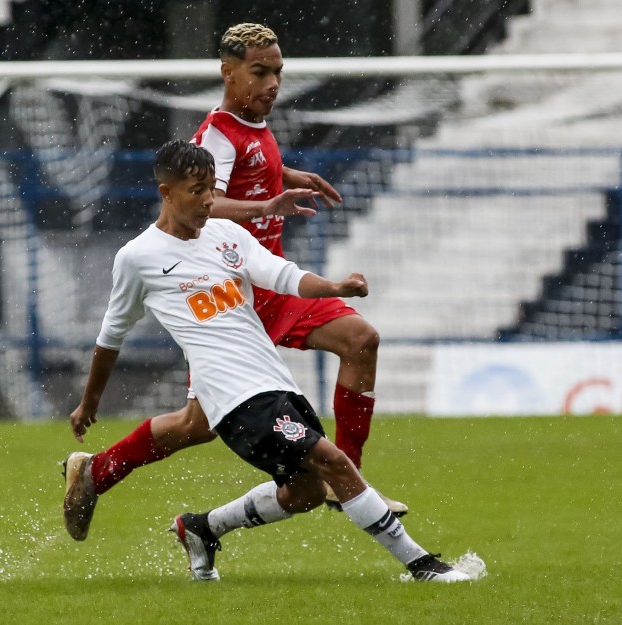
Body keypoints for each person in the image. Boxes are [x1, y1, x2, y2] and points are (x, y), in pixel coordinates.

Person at [62, 23, 404, 543]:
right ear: (229, 72)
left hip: (272, 284)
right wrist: (266, 204)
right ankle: (97, 471)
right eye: (259, 72)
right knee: (194, 426)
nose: (272, 83)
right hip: (235, 296)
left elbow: (247, 167)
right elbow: (207, 198)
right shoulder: (217, 134)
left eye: (277, 73)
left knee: (359, 341)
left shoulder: (253, 124)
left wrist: (284, 175)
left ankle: (347, 479)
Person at [68, 140, 467, 583]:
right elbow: (111, 338)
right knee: (332, 463)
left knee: (305, 492)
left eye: (210, 191)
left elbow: (284, 275)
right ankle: (422, 565)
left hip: (274, 383)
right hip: (235, 400)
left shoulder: (227, 235)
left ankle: (202, 528)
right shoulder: (138, 258)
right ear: (166, 192)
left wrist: (335, 286)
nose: (207, 200)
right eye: (196, 190)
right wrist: (90, 403)